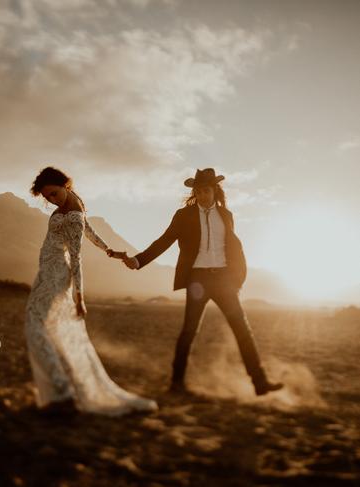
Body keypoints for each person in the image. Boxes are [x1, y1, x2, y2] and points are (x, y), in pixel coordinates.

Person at [122, 168, 283, 396]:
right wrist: (138, 261)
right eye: (198, 191)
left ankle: (260, 382)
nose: (202, 195)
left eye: (206, 191)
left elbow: (233, 247)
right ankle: (177, 384)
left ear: (215, 190)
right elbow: (165, 240)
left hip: (225, 280)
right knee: (189, 331)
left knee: (242, 330)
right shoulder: (183, 215)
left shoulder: (226, 215)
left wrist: (237, 279)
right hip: (198, 279)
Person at [24, 167, 158, 415]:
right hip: (46, 273)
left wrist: (79, 297)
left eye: (54, 193)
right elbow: (90, 232)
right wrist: (108, 249)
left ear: (66, 184)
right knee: (47, 327)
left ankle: (61, 392)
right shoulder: (75, 211)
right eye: (48, 198)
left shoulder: (73, 216)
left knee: (35, 325)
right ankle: (62, 392)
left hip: (56, 274)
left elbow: (76, 258)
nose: (52, 200)